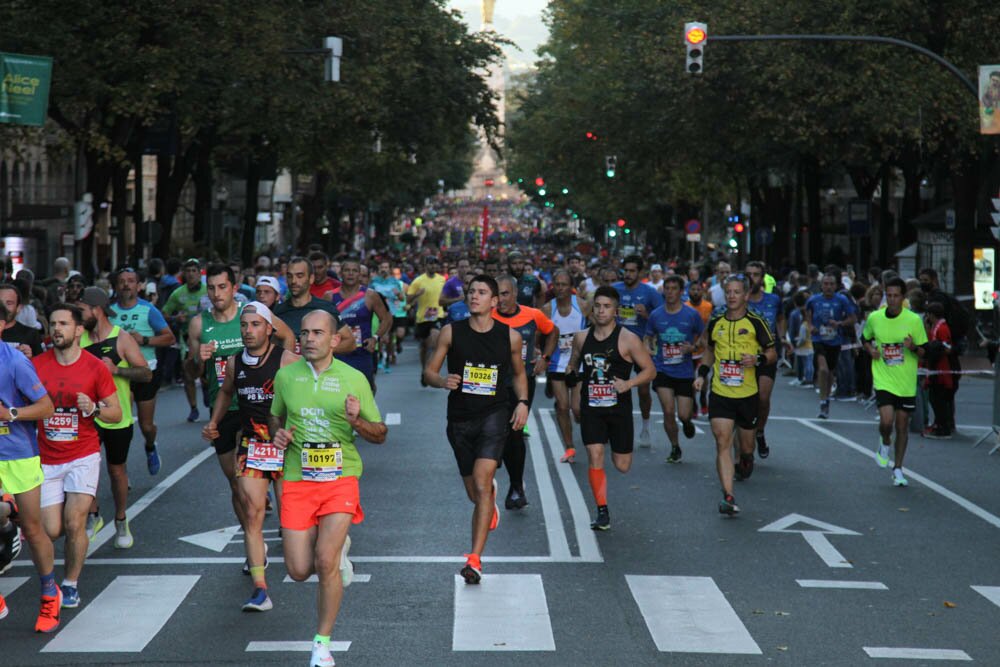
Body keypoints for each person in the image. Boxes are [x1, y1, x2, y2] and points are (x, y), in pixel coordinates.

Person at [268, 310, 386, 667]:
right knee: (299, 570)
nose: (308, 339)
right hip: (298, 480)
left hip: (340, 478)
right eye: (304, 333)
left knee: (324, 560)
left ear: (335, 340)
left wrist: (356, 421)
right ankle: (338, 551)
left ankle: (321, 642)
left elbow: (380, 434)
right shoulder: (286, 377)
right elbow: (276, 414)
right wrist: (279, 432)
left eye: (318, 333)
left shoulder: (354, 378)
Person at [423, 275, 528, 583]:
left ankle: (475, 559)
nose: (474, 296)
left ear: (495, 301)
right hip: (459, 419)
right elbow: (429, 371)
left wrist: (522, 402)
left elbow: (520, 374)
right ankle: (489, 498)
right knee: (476, 492)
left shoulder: (510, 337)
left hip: (494, 415)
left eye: (482, 292)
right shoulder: (451, 333)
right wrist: (443, 380)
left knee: (482, 484)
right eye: (471, 292)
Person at [204, 302, 298, 611]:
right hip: (252, 447)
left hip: (286, 447)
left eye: (255, 325)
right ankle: (260, 588)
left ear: (270, 329)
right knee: (253, 515)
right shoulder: (234, 363)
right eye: (244, 325)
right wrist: (215, 422)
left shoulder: (287, 361)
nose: (248, 331)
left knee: (293, 520)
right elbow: (227, 393)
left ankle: (327, 552)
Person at [33, 304, 122, 609]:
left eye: (63, 324)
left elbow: (116, 413)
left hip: (83, 454)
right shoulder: (36, 365)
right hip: (46, 457)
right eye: (53, 323)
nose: (56, 329)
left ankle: (69, 583)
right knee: (51, 529)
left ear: (78, 330)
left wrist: (94, 408)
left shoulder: (95, 367)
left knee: (74, 522)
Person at [565, 286, 655, 530]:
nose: (601, 311)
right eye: (597, 306)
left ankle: (604, 503)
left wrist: (629, 383)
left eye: (606, 307)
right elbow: (574, 362)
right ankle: (602, 510)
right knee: (595, 455)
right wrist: (571, 373)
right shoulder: (582, 337)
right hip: (591, 405)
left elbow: (650, 370)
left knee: (622, 465)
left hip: (619, 408)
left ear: (615, 311)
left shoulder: (628, 338)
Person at [693, 276, 776, 515]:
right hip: (720, 392)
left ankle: (747, 458)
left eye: (736, 292)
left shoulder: (756, 322)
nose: (731, 296)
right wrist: (702, 374)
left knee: (746, 447)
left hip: (747, 394)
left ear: (745, 296)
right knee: (722, 442)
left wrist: (757, 359)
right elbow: (710, 350)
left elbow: (772, 353)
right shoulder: (716, 321)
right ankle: (728, 496)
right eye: (728, 292)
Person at [0, 298, 59, 631]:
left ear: (3, 325)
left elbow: (46, 407)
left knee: (35, 529)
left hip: (19, 454)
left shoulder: (14, 362)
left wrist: (9, 413)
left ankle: (50, 595)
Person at [79, 287, 152, 548]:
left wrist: (118, 371)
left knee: (116, 470)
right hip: (87, 416)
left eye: (83, 310)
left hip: (116, 415)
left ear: (96, 310)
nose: (80, 315)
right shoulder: (80, 338)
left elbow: (145, 374)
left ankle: (121, 519)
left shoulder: (119, 338)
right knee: (88, 468)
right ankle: (93, 516)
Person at [492, 275, 557, 509]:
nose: (500, 299)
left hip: (521, 383)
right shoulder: (486, 316)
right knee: (495, 431)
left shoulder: (533, 315)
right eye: (497, 294)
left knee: (514, 434)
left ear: (516, 293)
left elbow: (553, 332)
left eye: (505, 293)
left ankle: (516, 486)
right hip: (492, 384)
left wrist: (545, 359)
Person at [110, 267, 176, 475]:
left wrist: (145, 340)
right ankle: (122, 470)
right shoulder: (109, 312)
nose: (126, 285)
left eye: (131, 281)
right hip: (120, 374)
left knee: (146, 426)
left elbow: (169, 338)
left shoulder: (149, 310)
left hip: (147, 372)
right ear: (116, 286)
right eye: (122, 281)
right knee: (123, 425)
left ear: (138, 286)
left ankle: (150, 446)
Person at [862, 278, 927, 486]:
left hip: (906, 381)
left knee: (902, 426)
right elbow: (865, 338)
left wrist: (913, 347)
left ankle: (898, 468)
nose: (892, 300)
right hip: (883, 378)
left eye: (896, 296)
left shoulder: (914, 320)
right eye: (888, 295)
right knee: (887, 421)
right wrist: (870, 350)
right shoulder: (875, 318)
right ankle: (885, 441)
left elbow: (925, 352)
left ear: (903, 297)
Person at [645, 275, 704, 463]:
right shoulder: (656, 315)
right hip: (663, 369)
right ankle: (675, 447)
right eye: (667, 288)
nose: (670, 292)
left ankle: (687, 422)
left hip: (684, 371)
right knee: (668, 411)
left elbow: (703, 337)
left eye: (673, 288)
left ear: (681, 292)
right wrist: (649, 349)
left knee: (684, 414)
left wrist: (693, 348)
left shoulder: (691, 315)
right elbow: (648, 336)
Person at [613, 255, 663, 447]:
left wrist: (647, 314)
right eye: (626, 270)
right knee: (614, 386)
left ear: (640, 273)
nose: (628, 274)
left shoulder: (649, 293)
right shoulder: (615, 290)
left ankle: (645, 425)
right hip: (618, 344)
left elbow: (661, 317)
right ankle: (614, 426)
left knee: (643, 390)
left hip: (641, 346)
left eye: (632, 271)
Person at [542, 270, 589, 463]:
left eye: (564, 284)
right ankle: (569, 448)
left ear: (571, 287)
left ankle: (586, 425)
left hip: (578, 364)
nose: (560, 288)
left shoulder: (583, 306)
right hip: (556, 363)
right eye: (557, 284)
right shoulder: (547, 308)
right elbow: (540, 333)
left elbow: (597, 327)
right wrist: (542, 355)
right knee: (562, 407)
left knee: (577, 409)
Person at [329, 260, 391, 391]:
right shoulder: (330, 296)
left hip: (362, 352)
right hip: (338, 353)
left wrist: (375, 338)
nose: (350, 274)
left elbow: (386, 319)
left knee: (366, 390)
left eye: (354, 271)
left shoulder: (370, 295)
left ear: (359, 275)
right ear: (341, 273)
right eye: (347, 270)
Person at [272, 257, 354, 354]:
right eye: (290, 276)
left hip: (318, 368)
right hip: (288, 368)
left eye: (299, 276)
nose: (293, 281)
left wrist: (321, 352)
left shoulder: (326, 308)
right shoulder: (277, 311)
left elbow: (350, 342)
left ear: (311, 279)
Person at [745, 261, 784, 458]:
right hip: (745, 357)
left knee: (762, 398)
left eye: (756, 274)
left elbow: (780, 319)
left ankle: (759, 431)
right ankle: (746, 438)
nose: (753, 278)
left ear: (763, 278)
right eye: (749, 274)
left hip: (767, 355)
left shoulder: (774, 300)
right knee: (747, 399)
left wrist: (783, 337)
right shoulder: (740, 301)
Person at [161, 258, 208, 422]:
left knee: (206, 372)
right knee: (188, 373)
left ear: (199, 273)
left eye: (194, 271)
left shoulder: (208, 291)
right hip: (186, 338)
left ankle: (208, 392)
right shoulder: (178, 293)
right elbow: (164, 313)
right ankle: (193, 408)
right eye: (187, 271)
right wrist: (175, 318)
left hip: (206, 337)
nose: (191, 275)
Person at [806, 273, 856, 419]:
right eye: (826, 284)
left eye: (831, 284)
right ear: (821, 285)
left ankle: (826, 399)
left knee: (830, 372)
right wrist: (810, 326)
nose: (828, 287)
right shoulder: (814, 299)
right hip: (818, 339)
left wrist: (839, 323)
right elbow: (807, 313)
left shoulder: (842, 300)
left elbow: (852, 318)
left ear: (836, 285)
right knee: (823, 369)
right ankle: (822, 401)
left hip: (835, 340)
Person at [407, 256, 447, 384]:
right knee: (424, 346)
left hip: (438, 316)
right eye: (430, 264)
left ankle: (430, 370)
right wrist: (417, 295)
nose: (433, 267)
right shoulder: (418, 281)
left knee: (434, 341)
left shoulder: (442, 280)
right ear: (425, 266)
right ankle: (424, 369)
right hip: (422, 318)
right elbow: (408, 300)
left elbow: (445, 296)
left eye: (435, 264)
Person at [922, 303, 958, 438]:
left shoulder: (942, 328)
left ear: (931, 315)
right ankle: (939, 423)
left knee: (938, 398)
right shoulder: (937, 327)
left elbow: (947, 348)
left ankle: (943, 426)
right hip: (936, 365)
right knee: (935, 397)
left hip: (940, 366)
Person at [370, 260, 408, 365]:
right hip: (377, 314)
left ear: (389, 269)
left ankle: (389, 355)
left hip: (391, 313)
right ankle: (381, 355)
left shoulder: (394, 282)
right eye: (382, 267)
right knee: (382, 337)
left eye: (386, 267)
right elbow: (368, 296)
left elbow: (401, 298)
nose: (384, 269)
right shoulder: (374, 282)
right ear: (379, 269)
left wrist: (398, 293)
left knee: (389, 338)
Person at [685, 279, 713, 418]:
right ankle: (694, 405)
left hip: (703, 348)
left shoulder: (708, 306)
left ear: (703, 292)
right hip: (689, 348)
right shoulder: (685, 306)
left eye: (698, 290)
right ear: (688, 291)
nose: (695, 292)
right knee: (690, 378)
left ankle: (703, 398)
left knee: (703, 376)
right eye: (693, 289)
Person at [0, 282, 43, 358]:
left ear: (18, 308)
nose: (3, 308)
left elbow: (42, 365)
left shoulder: (31, 334)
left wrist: (30, 359)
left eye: (9, 303)